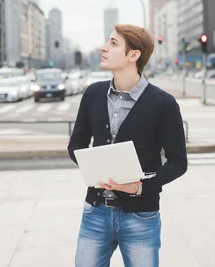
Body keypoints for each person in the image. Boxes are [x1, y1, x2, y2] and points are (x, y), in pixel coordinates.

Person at [68, 24, 188, 267]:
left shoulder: (163, 103)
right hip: (95, 212)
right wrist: (93, 165)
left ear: (134, 55)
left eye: (113, 44)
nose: (104, 47)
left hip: (141, 217)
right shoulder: (93, 93)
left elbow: (178, 162)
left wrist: (139, 186)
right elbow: (76, 144)